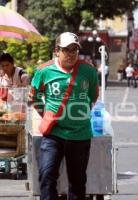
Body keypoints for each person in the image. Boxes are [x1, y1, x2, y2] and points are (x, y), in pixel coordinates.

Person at [29, 32, 99, 200]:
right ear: (56, 51)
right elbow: (34, 96)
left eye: (74, 49)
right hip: (54, 134)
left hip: (80, 135)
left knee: (77, 182)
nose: (71, 54)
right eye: (66, 50)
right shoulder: (44, 71)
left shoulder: (88, 71)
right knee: (46, 176)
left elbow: (93, 96)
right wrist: (46, 114)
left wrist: (77, 115)